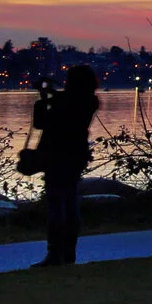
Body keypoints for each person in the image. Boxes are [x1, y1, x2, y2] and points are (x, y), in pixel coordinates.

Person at [33, 65, 100, 268]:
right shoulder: (90, 101)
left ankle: (54, 254)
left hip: (56, 156)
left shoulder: (64, 102)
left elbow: (41, 122)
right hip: (76, 156)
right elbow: (63, 104)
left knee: (56, 204)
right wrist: (49, 96)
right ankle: (68, 253)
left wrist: (42, 99)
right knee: (70, 202)